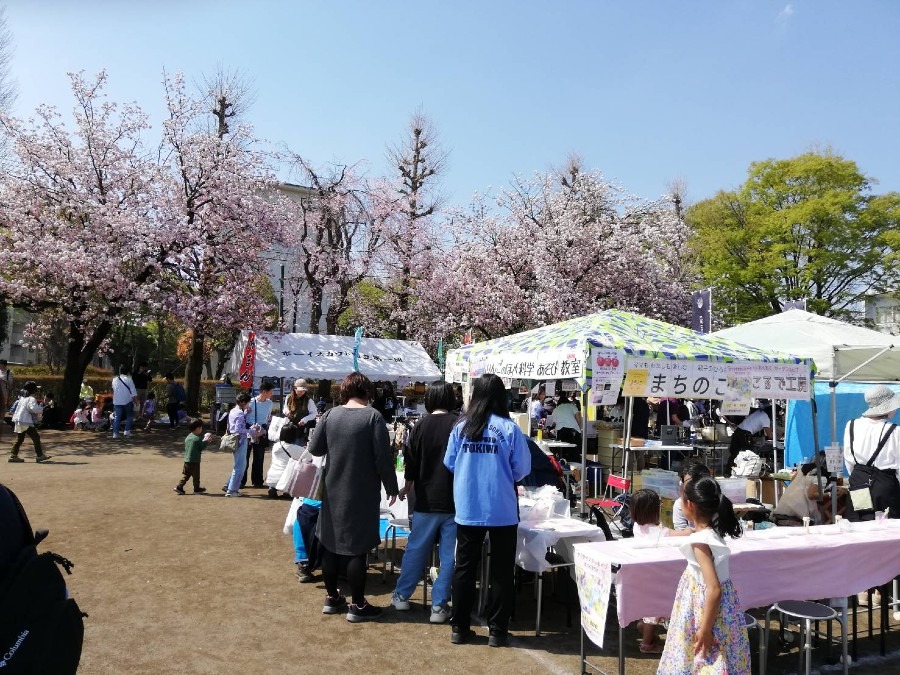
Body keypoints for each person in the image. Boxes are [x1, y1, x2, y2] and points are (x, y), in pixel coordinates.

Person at [444, 373, 531, 647]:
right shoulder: (509, 428)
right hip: (502, 508)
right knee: (502, 571)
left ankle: (459, 626)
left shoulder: (461, 428)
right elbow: (522, 469)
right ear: (500, 396)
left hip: (469, 506)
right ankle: (498, 631)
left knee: (465, 568)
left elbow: (450, 463)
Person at [308, 372, 398, 623]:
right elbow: (383, 459)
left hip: (332, 489)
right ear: (366, 391)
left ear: (344, 391)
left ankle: (332, 597)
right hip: (362, 491)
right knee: (357, 549)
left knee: (330, 543)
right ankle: (358, 605)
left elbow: (315, 448)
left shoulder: (330, 415)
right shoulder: (373, 417)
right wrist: (392, 487)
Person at [657, 476, 749, 674]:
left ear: (689, 505)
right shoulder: (713, 532)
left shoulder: (700, 542)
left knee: (701, 660)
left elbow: (713, 588)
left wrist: (705, 630)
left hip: (704, 612)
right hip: (723, 611)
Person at [391, 381, 459, 624]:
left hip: (425, 500)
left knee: (416, 549)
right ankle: (439, 606)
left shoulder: (420, 425)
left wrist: (406, 487)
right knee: (448, 556)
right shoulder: (459, 424)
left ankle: (401, 595)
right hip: (454, 501)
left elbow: (411, 461)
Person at [630, 489, 692, 654]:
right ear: (652, 510)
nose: (662, 505)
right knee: (654, 611)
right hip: (655, 576)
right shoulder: (659, 532)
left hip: (642, 573)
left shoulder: (638, 526)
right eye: (659, 504)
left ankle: (645, 628)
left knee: (650, 611)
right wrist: (693, 530)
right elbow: (682, 534)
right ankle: (646, 644)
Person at [843, 384, 900, 521]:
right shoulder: (895, 431)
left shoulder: (851, 425)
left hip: (858, 481)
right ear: (887, 407)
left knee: (860, 523)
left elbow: (849, 460)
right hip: (885, 485)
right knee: (886, 530)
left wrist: (860, 476)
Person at [242, 382, 274, 490]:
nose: (272, 393)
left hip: (261, 430)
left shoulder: (269, 403)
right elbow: (243, 416)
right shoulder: (251, 402)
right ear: (264, 391)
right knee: (245, 456)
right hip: (249, 429)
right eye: (271, 391)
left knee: (259, 457)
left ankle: (257, 481)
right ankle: (241, 480)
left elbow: (268, 417)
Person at [8, 381, 49, 463]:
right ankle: (39, 455)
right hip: (25, 421)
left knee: (20, 439)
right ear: (33, 390)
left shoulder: (22, 398)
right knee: (36, 438)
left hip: (18, 420)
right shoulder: (31, 399)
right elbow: (34, 409)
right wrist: (42, 406)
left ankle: (13, 455)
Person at [726, 405, 773, 476]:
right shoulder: (765, 417)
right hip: (745, 434)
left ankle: (728, 473)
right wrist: (777, 436)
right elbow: (769, 435)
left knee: (734, 454)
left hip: (738, 431)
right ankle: (745, 473)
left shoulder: (759, 412)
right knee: (748, 455)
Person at [222, 393, 252, 497]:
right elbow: (238, 429)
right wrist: (251, 431)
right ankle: (231, 490)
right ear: (243, 402)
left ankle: (229, 486)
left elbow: (234, 426)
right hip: (240, 440)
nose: (249, 405)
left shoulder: (234, 411)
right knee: (240, 466)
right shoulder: (239, 413)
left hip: (234, 440)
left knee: (239, 465)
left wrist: (246, 414)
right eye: (248, 402)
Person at [174, 418, 212, 495]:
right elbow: (201, 447)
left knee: (187, 474)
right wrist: (207, 441)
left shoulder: (188, 437)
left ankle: (179, 486)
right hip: (194, 460)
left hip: (187, 460)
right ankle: (196, 488)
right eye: (201, 427)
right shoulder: (197, 438)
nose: (201, 429)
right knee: (196, 476)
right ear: (198, 428)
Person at [672, 461, 712, 530]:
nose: (693, 487)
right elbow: (680, 530)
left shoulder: (716, 501)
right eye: (689, 484)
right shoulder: (680, 503)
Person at [283, 378, 318, 443]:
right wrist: (287, 412)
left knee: (297, 447)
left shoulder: (309, 401)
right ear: (295, 389)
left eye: (303, 391)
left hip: (300, 429)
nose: (301, 392)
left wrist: (305, 419)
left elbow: (314, 413)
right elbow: (285, 408)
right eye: (299, 390)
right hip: (288, 428)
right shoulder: (288, 397)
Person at [551, 392, 582, 460]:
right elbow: (579, 417)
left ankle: (564, 463)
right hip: (573, 429)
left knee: (563, 450)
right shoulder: (572, 406)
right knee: (574, 449)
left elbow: (554, 422)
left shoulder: (556, 409)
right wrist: (579, 428)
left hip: (561, 430)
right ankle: (575, 465)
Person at [111, 365, 139, 439]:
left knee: (117, 417)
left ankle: (115, 434)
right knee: (129, 415)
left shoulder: (114, 379)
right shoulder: (129, 379)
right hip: (127, 400)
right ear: (127, 372)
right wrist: (136, 401)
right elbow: (133, 392)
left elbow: (114, 389)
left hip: (117, 401)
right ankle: (127, 431)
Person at [0, 359, 13, 439]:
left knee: (3, 404)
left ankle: (2, 418)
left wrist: (3, 380)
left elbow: (10, 383)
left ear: (4, 365)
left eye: (1, 364)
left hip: (4, 390)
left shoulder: (9, 373)